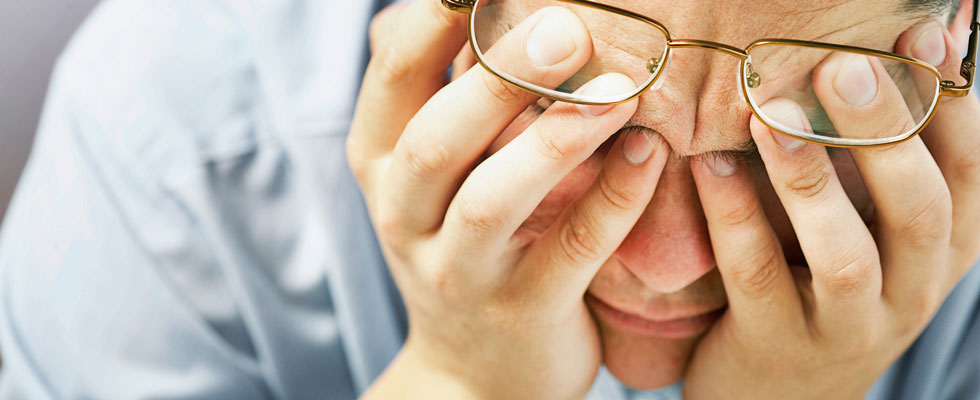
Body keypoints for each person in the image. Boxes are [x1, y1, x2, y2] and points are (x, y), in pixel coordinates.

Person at [0, 0, 977, 398]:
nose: (665, 260)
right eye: (582, 122)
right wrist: (460, 382)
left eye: (791, 153)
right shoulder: (177, 136)